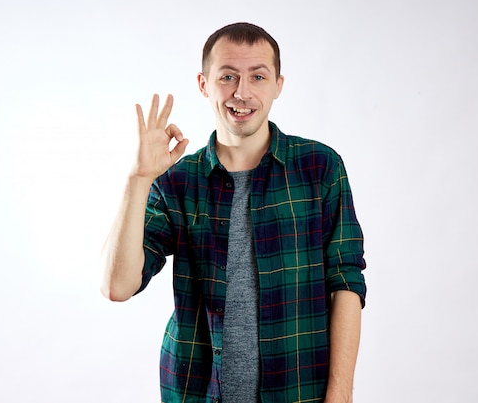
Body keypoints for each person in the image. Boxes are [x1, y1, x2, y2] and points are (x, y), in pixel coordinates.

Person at [101, 22, 367, 403]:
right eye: (228, 76)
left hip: (299, 391)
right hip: (197, 391)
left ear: (278, 84)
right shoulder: (177, 181)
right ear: (203, 84)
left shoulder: (319, 168)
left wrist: (340, 395)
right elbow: (117, 286)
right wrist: (138, 179)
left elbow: (346, 281)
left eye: (258, 76)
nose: (242, 92)